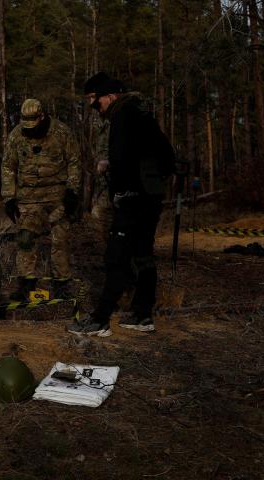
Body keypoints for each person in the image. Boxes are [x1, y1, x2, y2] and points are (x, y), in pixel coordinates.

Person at [68, 72, 175, 337]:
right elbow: (169, 158)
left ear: (110, 95)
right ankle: (142, 315)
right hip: (151, 198)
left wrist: (121, 190)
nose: (95, 105)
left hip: (131, 201)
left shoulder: (121, 116)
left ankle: (100, 319)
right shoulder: (143, 115)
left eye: (96, 99)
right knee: (143, 255)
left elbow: (120, 159)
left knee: (116, 256)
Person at [1, 98, 81, 296]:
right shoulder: (16, 136)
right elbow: (8, 167)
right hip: (28, 198)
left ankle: (62, 283)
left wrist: (72, 191)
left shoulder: (61, 132)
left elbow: (74, 162)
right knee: (25, 239)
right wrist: (8, 198)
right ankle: (26, 283)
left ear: (42, 116)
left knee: (60, 240)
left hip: (58, 196)